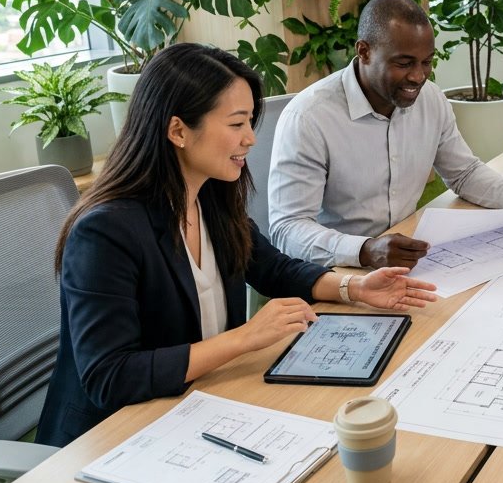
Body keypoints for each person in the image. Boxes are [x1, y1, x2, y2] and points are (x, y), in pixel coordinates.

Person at [36, 44, 438, 447]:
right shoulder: (105, 232)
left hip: (200, 406)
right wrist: (245, 338)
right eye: (236, 124)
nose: (249, 139)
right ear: (178, 131)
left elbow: (271, 268)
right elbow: (111, 376)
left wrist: (354, 288)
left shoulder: (208, 196)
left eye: (249, 122)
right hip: (114, 436)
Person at [270, 0, 503, 270]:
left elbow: (464, 173)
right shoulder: (309, 118)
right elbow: (288, 229)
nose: (418, 76)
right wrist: (366, 250)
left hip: (405, 260)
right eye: (404, 63)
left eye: (426, 62)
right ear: (364, 52)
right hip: (333, 272)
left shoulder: (430, 99)